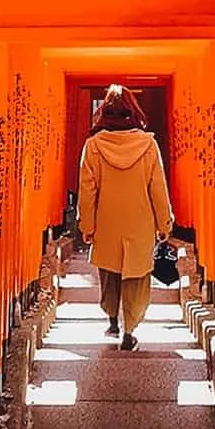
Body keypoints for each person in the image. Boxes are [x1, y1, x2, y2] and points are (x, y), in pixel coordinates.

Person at [77, 84, 174, 353]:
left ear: (104, 112)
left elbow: (88, 189)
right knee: (136, 277)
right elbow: (157, 186)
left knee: (109, 273)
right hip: (140, 222)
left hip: (108, 222)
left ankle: (112, 320)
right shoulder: (148, 145)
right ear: (133, 112)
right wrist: (164, 223)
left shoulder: (93, 146)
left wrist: (87, 225)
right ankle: (130, 330)